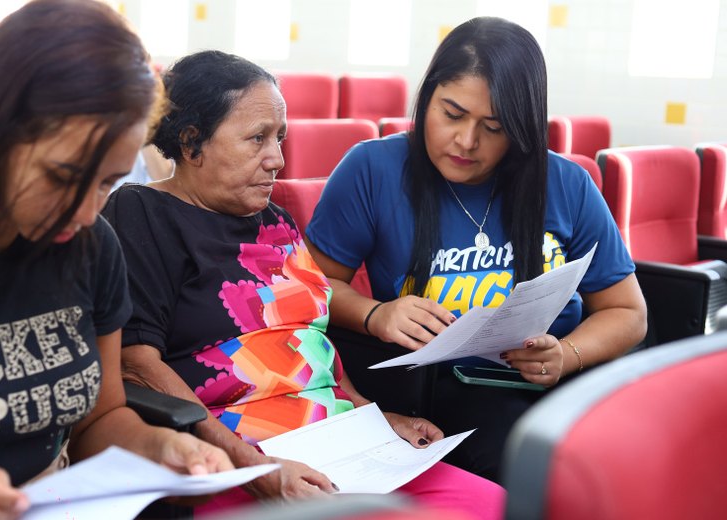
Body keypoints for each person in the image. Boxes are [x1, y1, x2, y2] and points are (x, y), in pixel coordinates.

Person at [103, 49, 505, 519]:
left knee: (492, 505)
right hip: (231, 453)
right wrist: (256, 468)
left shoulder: (275, 221)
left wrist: (371, 417)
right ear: (192, 142)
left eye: (280, 138)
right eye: (257, 139)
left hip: (335, 443)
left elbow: (311, 340)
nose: (277, 159)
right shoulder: (141, 214)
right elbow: (135, 363)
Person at [0, 1, 233, 519]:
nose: (87, 211)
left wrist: (161, 448)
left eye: (107, 184)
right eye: (62, 176)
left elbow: (99, 420)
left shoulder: (91, 247)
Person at [305, 16, 648, 483]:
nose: (467, 141)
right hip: (438, 391)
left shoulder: (565, 183)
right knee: (541, 472)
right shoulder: (373, 169)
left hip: (549, 387)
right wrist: (375, 314)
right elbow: (310, 288)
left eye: (493, 126)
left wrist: (566, 354)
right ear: (427, 100)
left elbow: (628, 311)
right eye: (451, 114)